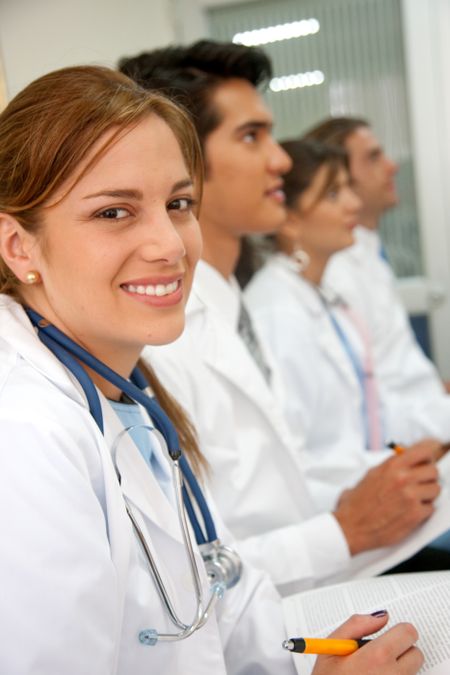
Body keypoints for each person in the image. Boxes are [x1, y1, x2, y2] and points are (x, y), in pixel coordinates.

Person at [0, 63, 424, 675]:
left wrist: (310, 661)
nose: (170, 245)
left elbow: (214, 596)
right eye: (114, 212)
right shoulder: (24, 432)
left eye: (178, 203)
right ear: (18, 246)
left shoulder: (126, 388)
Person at [120, 41, 444, 596]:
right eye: (252, 136)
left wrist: (383, 488)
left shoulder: (227, 302)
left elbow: (287, 475)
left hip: (308, 590)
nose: (282, 160)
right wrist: (344, 530)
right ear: (181, 159)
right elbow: (184, 572)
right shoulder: (151, 338)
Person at [244, 139, 444, 510]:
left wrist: (412, 450)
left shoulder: (322, 295)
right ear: (289, 220)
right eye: (333, 194)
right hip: (338, 505)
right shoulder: (277, 312)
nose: (353, 204)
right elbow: (303, 459)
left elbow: (369, 415)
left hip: (370, 475)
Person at [306, 116, 450, 446]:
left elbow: (404, 375)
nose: (391, 167)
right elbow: (371, 404)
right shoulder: (337, 272)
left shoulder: (368, 254)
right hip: (405, 441)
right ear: (337, 178)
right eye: (373, 157)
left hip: (425, 423)